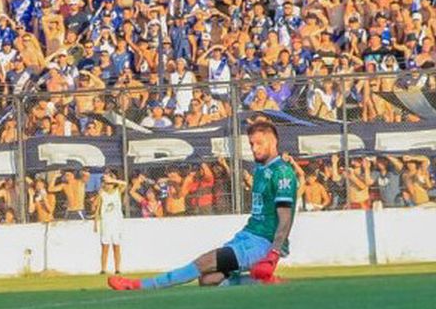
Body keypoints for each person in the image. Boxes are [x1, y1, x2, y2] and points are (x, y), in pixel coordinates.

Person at [108, 120, 296, 290]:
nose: (254, 149)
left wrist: (273, 253)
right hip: (246, 237)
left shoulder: (283, 172)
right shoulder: (262, 170)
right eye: (251, 144)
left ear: (273, 142)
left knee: (203, 262)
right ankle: (261, 280)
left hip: (261, 243)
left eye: (259, 144)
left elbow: (285, 218)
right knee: (208, 280)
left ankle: (141, 285)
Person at [93, 170, 126, 275]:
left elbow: (125, 184)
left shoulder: (118, 191)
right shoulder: (102, 194)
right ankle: (103, 268)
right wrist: (95, 222)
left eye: (109, 183)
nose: (107, 185)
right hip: (106, 222)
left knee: (116, 246)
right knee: (105, 246)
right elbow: (97, 208)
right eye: (106, 183)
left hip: (116, 222)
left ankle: (117, 268)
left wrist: (112, 179)